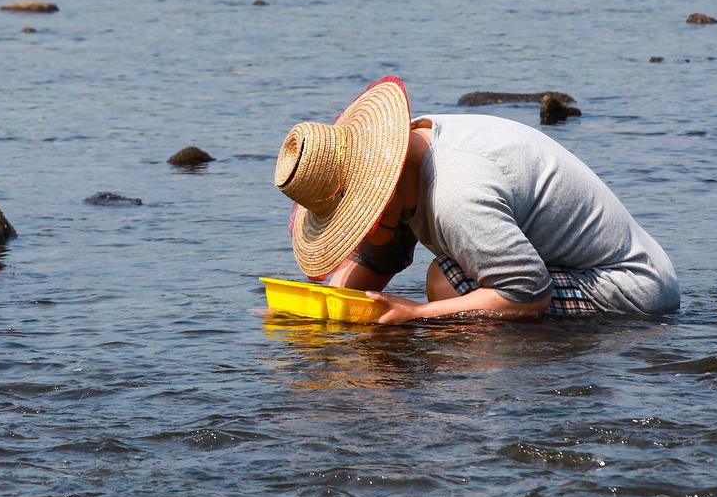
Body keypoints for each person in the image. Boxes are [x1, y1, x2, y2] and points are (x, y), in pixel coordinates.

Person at [274, 78, 679, 324]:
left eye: (358, 220)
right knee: (445, 285)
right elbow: (378, 260)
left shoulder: (457, 196)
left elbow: (527, 293)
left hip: (632, 290)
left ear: (384, 187)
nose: (358, 233)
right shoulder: (409, 151)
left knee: (446, 285)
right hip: (569, 266)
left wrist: (414, 315)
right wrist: (315, 316)